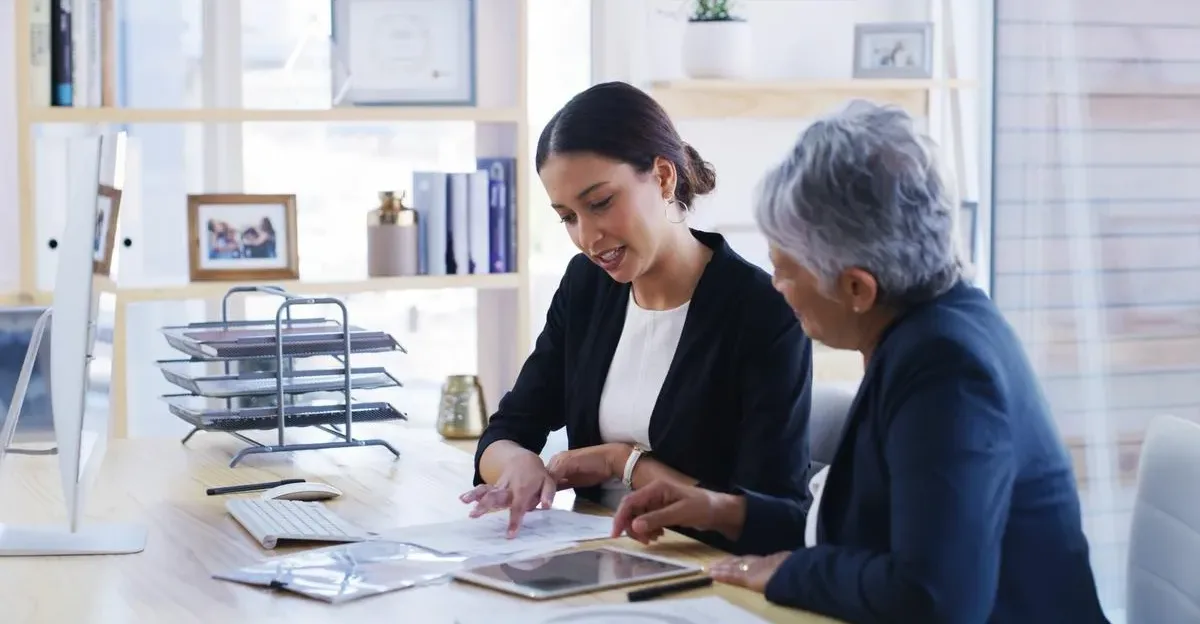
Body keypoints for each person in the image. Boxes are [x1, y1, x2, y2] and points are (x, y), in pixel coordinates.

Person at [610, 101, 1109, 623]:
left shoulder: (948, 371)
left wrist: (788, 574)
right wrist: (725, 511)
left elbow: (934, 599)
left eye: (785, 271)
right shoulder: (937, 323)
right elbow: (866, 531)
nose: (776, 288)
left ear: (856, 287)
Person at [460, 81, 814, 551]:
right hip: (597, 554)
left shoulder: (764, 311)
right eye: (567, 217)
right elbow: (507, 430)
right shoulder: (586, 286)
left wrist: (622, 462)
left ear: (664, 177)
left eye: (601, 203)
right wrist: (518, 464)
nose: (588, 237)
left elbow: (772, 516)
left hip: (704, 570)